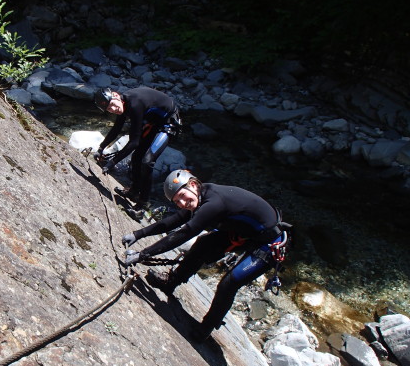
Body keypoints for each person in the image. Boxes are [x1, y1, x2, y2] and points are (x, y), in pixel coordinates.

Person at [121, 169, 291, 341]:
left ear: (193, 185)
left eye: (182, 196)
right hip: (246, 233)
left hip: (270, 244)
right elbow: (172, 222)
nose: (182, 203)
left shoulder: (214, 203)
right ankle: (170, 282)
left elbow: (183, 234)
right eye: (177, 201)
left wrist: (142, 254)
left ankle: (206, 328)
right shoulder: (200, 197)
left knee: (229, 284)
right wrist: (138, 234)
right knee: (203, 244)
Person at [93, 87, 181, 219]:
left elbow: (133, 142)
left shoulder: (134, 104)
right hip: (153, 123)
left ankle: (142, 205)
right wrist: (101, 148)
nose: (113, 109)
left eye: (112, 105)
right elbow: (116, 129)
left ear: (116, 96)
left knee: (147, 162)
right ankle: (134, 192)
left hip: (169, 124)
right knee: (136, 157)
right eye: (109, 110)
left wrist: (112, 163)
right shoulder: (123, 105)